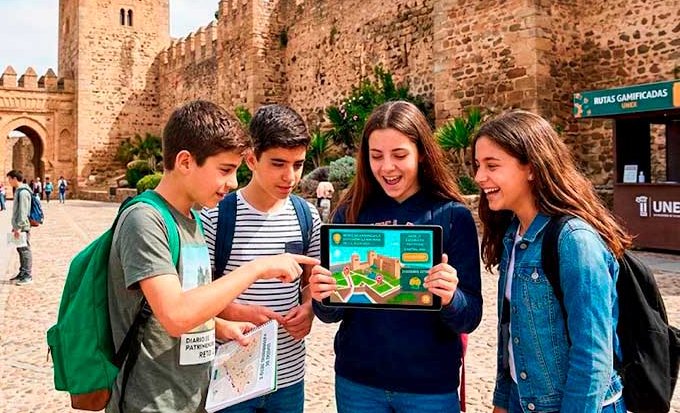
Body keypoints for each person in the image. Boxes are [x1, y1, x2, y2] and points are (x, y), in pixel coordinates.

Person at [106, 100, 319, 413]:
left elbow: (194, 302)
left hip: (197, 393)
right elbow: (176, 315)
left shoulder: (190, 219)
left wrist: (222, 327)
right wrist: (257, 268)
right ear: (185, 161)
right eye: (225, 170)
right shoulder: (145, 219)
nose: (233, 182)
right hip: (152, 401)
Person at [308, 101, 482, 413]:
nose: (387, 167)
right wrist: (322, 295)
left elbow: (470, 316)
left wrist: (450, 297)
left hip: (430, 389)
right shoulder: (350, 213)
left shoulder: (453, 216)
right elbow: (332, 314)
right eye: (376, 156)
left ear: (422, 153)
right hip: (357, 385)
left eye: (399, 155)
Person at [472, 111, 627, 413]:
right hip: (522, 401)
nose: (479, 177)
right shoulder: (513, 236)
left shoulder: (574, 240)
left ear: (532, 168)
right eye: (478, 165)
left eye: (492, 165)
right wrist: (502, 401)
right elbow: (511, 336)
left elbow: (593, 357)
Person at [200, 104, 321, 413]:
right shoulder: (216, 216)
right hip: (230, 376)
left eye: (298, 164)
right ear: (251, 159)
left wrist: (309, 309)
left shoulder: (307, 216)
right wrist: (236, 311)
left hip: (289, 378)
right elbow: (197, 297)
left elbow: (312, 283)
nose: (290, 176)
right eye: (278, 163)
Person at [8, 170, 34, 286]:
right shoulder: (19, 191)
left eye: (9, 179)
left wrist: (18, 227)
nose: (9, 181)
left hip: (22, 227)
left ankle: (27, 275)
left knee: (25, 250)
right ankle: (22, 272)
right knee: (20, 249)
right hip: (18, 226)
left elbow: (23, 211)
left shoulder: (23, 192)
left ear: (14, 179)